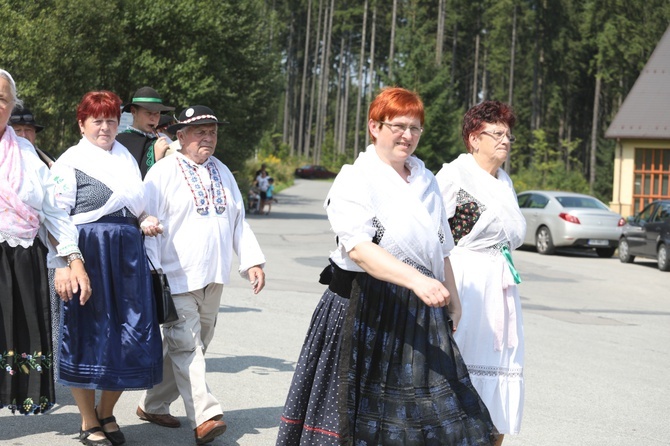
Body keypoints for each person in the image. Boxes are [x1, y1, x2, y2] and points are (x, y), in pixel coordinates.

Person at [276, 87, 495, 445]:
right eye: (398, 126)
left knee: (430, 418)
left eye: (415, 128)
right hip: (363, 308)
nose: (407, 135)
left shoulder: (426, 182)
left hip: (418, 313)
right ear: (374, 127)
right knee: (350, 415)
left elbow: (440, 249)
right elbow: (360, 250)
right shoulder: (355, 178)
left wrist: (453, 300)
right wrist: (416, 282)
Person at [137, 105, 266, 445]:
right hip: (176, 276)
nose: (208, 137)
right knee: (187, 347)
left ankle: (152, 403)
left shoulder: (223, 171)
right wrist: (151, 272)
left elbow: (238, 221)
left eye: (212, 131)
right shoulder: (163, 173)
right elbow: (144, 219)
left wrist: (252, 261)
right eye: (199, 131)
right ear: (180, 136)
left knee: (195, 344)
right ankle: (206, 415)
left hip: (213, 276)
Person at [50, 90, 164, 446]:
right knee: (88, 335)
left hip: (128, 257)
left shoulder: (127, 159)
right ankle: (88, 419)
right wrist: (69, 262)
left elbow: (137, 206)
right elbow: (55, 216)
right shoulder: (69, 161)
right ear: (82, 123)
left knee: (130, 333)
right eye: (97, 120)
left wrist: (146, 218)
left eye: (111, 119)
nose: (105, 126)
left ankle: (107, 410)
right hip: (88, 255)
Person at [435, 100, 526, 446]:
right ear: (474, 138)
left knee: (501, 369)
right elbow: (434, 235)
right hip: (464, 281)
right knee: (461, 366)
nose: (506, 140)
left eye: (509, 135)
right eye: (497, 133)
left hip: (500, 287)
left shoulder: (505, 182)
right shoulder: (453, 176)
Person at [0, 69, 90, 415]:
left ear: (12, 106)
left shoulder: (26, 152)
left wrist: (73, 260)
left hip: (21, 260)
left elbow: (53, 211)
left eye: (3, 99)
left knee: (15, 337)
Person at [116, 86, 174, 178]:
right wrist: (155, 158)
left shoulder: (164, 139)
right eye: (148, 113)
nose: (153, 118)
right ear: (134, 112)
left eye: (157, 113)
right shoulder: (120, 142)